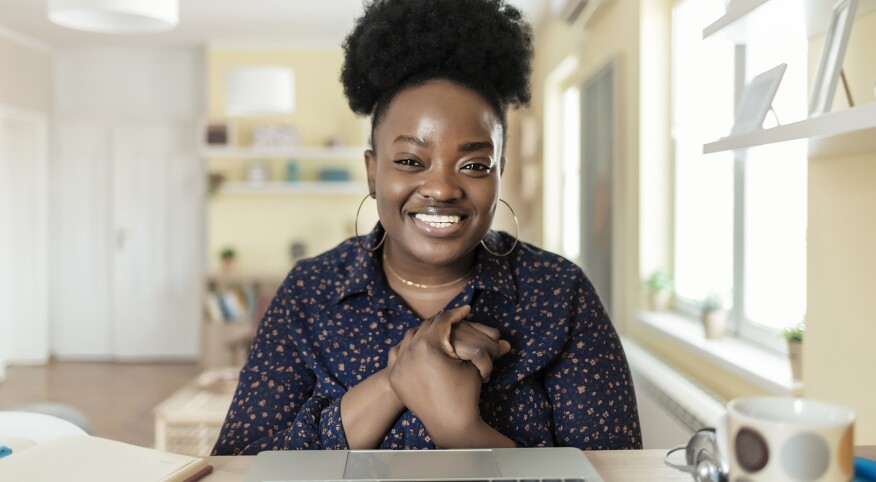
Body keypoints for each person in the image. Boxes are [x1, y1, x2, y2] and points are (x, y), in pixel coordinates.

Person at [213, 0, 641, 454]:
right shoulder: (310, 292)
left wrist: (458, 428)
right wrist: (395, 382)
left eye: (474, 164)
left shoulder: (559, 295)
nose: (440, 187)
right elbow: (238, 465)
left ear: (500, 172)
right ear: (372, 171)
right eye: (410, 161)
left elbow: (614, 474)